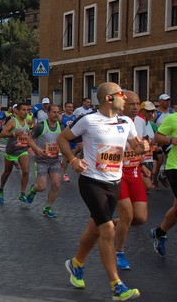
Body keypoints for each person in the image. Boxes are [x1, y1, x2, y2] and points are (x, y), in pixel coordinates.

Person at [58, 82, 147, 301]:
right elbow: (62, 138)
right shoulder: (88, 120)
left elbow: (135, 147)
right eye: (122, 95)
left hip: (114, 182)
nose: (125, 99)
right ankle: (117, 285)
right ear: (109, 98)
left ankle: (76, 264)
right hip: (91, 182)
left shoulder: (126, 122)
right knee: (107, 229)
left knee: (95, 228)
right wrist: (72, 159)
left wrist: (143, 147)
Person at [113, 91, 151, 271]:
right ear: (123, 104)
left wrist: (142, 163)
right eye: (132, 104)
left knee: (140, 217)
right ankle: (119, 252)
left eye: (138, 104)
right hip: (117, 173)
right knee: (127, 215)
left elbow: (138, 145)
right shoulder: (112, 121)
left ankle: (109, 225)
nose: (136, 107)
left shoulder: (141, 122)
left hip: (135, 171)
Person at [26, 104, 63, 217]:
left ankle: (47, 207)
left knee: (56, 185)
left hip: (55, 160)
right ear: (48, 113)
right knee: (42, 187)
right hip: (42, 160)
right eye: (54, 112)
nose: (56, 114)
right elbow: (29, 138)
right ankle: (33, 189)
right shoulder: (41, 126)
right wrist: (36, 148)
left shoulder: (60, 125)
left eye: (58, 112)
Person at [150, 104, 177, 257]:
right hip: (175, 167)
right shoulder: (173, 119)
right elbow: (157, 137)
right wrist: (171, 139)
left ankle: (159, 232)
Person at [0, 102, 31, 204]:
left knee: (26, 171)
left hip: (23, 149)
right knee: (7, 172)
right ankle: (1, 189)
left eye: (27, 110)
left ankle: (22, 193)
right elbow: (2, 134)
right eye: (23, 110)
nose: (26, 112)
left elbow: (28, 134)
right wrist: (14, 134)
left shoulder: (28, 121)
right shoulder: (12, 122)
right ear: (18, 111)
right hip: (11, 150)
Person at [60, 101, 78, 182]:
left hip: (73, 140)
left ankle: (62, 163)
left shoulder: (75, 117)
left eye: (72, 107)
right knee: (65, 156)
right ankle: (65, 174)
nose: (71, 108)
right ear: (65, 108)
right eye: (69, 107)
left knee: (71, 156)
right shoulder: (61, 117)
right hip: (65, 140)